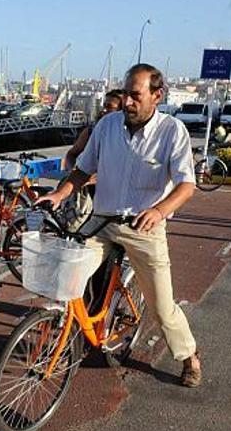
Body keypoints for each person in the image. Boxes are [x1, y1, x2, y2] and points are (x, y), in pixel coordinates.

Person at [37, 63, 202, 387]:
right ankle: (72, 329)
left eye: (135, 95)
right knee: (66, 270)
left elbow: (186, 185)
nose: (127, 102)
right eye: (125, 93)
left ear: (157, 95)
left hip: (144, 228)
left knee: (162, 307)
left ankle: (189, 356)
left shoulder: (172, 132)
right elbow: (83, 169)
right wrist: (59, 194)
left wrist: (159, 210)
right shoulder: (108, 126)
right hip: (102, 221)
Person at [61, 88, 124, 171]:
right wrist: (71, 170)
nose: (104, 110)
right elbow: (71, 154)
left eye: (109, 107)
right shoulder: (91, 132)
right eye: (104, 106)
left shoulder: (126, 138)